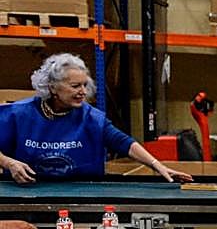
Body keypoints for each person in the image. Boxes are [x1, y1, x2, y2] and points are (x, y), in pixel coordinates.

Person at [0, 53, 193, 184]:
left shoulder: (91, 118)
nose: (82, 92)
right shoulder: (19, 114)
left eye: (85, 85)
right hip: (28, 197)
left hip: (80, 197)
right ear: (52, 87)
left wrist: (158, 166)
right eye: (75, 86)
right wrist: (8, 163)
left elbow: (123, 142)